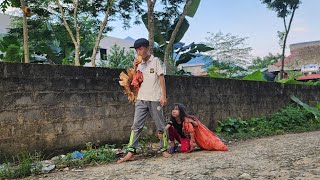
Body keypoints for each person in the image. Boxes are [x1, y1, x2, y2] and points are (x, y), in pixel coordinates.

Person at [117, 38, 171, 163]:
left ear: (147, 48)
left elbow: (161, 78)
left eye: (140, 49)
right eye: (136, 50)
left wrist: (163, 96)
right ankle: (131, 152)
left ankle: (164, 149)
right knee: (136, 125)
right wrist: (135, 68)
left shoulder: (156, 61)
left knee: (160, 126)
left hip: (155, 98)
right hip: (141, 98)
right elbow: (135, 82)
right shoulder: (139, 64)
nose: (138, 52)